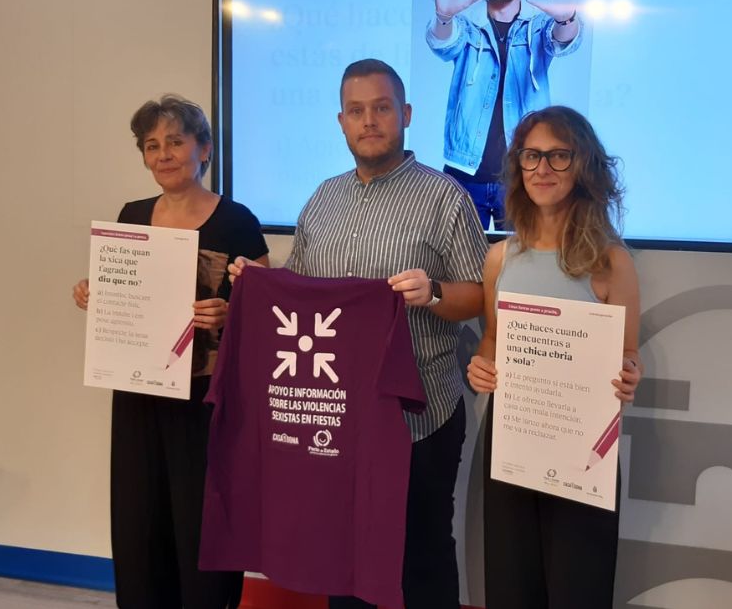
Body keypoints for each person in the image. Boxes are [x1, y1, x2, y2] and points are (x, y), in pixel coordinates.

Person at [230, 59, 488, 609]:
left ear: (406, 114)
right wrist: (258, 282)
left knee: (420, 553)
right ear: (341, 122)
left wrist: (433, 292)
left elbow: (479, 294)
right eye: (356, 110)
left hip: (419, 416)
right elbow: (300, 289)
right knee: (342, 550)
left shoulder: (446, 198)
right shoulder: (323, 199)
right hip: (336, 418)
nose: (369, 121)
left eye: (382, 108)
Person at [71, 95, 269, 608]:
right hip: (137, 397)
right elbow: (127, 293)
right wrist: (96, 293)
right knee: (140, 523)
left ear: (204, 149)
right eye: (151, 145)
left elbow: (270, 312)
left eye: (176, 142)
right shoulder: (131, 215)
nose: (163, 155)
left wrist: (230, 314)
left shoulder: (237, 221)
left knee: (201, 525)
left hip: (205, 405)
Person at [466, 105, 642, 609]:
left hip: (582, 452)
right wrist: (481, 368)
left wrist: (629, 374)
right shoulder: (500, 258)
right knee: (511, 588)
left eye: (558, 156)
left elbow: (628, 355)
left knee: (577, 590)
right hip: (513, 442)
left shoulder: (611, 261)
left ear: (583, 165)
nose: (542, 168)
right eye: (531, 156)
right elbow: (492, 343)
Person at [428, 0, 585, 230]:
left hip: (524, 176)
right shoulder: (466, 22)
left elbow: (563, 41)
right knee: (458, 258)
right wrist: (443, 17)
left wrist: (567, 18)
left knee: (524, 259)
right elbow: (443, 43)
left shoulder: (539, 23)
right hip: (463, 173)